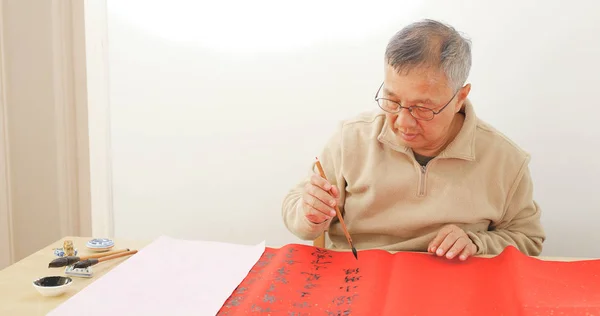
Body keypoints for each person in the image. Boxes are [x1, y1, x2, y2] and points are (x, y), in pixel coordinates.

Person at [281, 19, 545, 261]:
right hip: (359, 277)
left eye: (423, 108)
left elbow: (529, 240)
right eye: (392, 100)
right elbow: (295, 207)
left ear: (460, 98)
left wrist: (478, 242)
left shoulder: (506, 160)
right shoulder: (351, 139)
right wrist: (310, 212)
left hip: (452, 286)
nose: (403, 123)